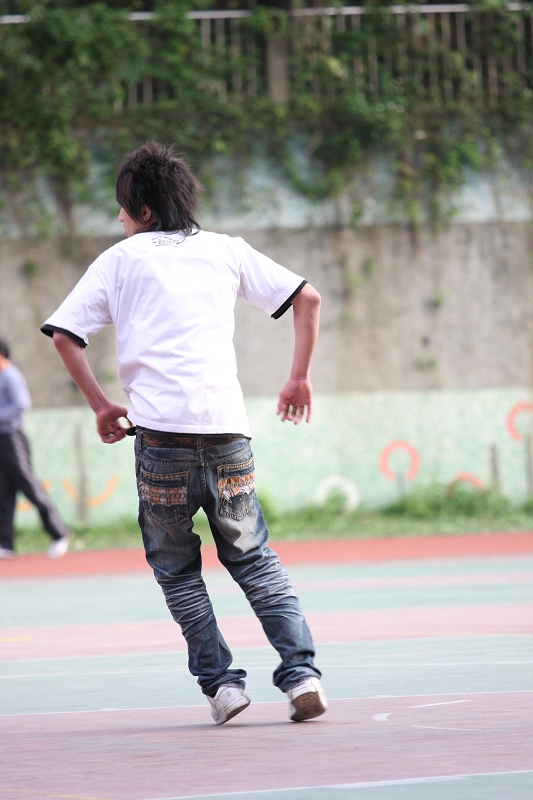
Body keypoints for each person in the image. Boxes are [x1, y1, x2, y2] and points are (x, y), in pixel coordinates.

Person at [41, 141, 326, 725]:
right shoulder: (226, 250)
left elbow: (66, 335)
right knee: (254, 559)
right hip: (228, 437)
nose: (119, 218)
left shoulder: (119, 261)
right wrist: (298, 378)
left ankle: (223, 687)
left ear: (142, 211)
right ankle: (302, 676)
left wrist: (101, 405)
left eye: (123, 208)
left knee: (176, 570)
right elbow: (308, 298)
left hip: (161, 445)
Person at [0, 339, 72, 559]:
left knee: (28, 484)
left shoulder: (11, 376)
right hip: (2, 438)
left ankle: (59, 533)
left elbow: (22, 404)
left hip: (12, 437)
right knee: (4, 490)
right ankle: (5, 543)